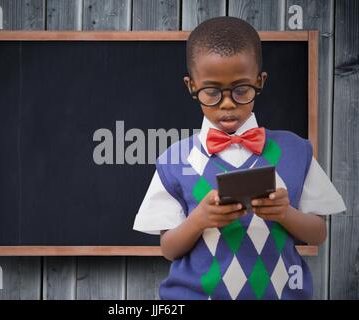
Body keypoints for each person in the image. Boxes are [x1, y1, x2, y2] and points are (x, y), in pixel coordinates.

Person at [133, 16, 346, 300]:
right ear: (191, 86)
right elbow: (169, 249)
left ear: (260, 81)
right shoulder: (174, 160)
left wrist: (286, 214)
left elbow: (318, 233)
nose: (228, 102)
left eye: (241, 90)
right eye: (212, 92)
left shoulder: (295, 151)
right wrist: (199, 220)